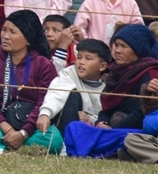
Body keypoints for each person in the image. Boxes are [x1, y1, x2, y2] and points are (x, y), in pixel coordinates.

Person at [0, 10, 63, 154]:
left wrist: (23, 133)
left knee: (53, 138)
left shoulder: (43, 64)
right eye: (4, 30)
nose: (5, 36)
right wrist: (6, 127)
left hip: (31, 126)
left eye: (12, 32)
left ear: (28, 38)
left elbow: (44, 101)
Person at [64, 24, 158, 157]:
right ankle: (113, 151)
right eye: (116, 45)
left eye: (124, 46)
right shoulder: (114, 72)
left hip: (132, 131)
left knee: (130, 139)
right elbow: (106, 107)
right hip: (110, 132)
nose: (117, 50)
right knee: (73, 127)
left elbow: (141, 112)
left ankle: (106, 150)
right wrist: (102, 123)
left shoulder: (150, 72)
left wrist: (111, 130)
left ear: (138, 50)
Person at [37, 38, 109, 135]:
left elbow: (103, 117)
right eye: (79, 57)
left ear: (102, 66)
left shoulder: (106, 90)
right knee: (72, 95)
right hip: (64, 126)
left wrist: (89, 119)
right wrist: (45, 113)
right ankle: (66, 141)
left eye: (88, 58)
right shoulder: (70, 73)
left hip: (88, 133)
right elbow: (57, 92)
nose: (81, 62)